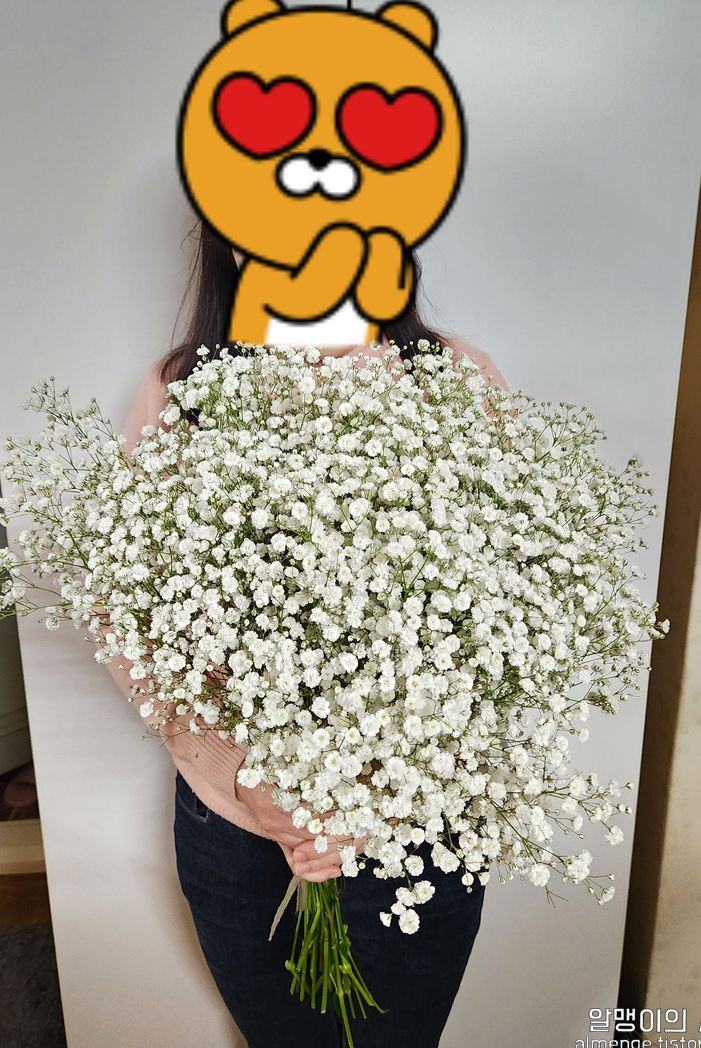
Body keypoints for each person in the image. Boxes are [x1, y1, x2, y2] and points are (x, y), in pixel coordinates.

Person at [106, 219, 508, 1048]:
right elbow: (129, 615)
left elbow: (505, 612)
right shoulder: (182, 391)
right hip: (238, 829)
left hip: (417, 826)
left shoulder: (454, 381)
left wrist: (375, 785)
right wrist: (250, 776)